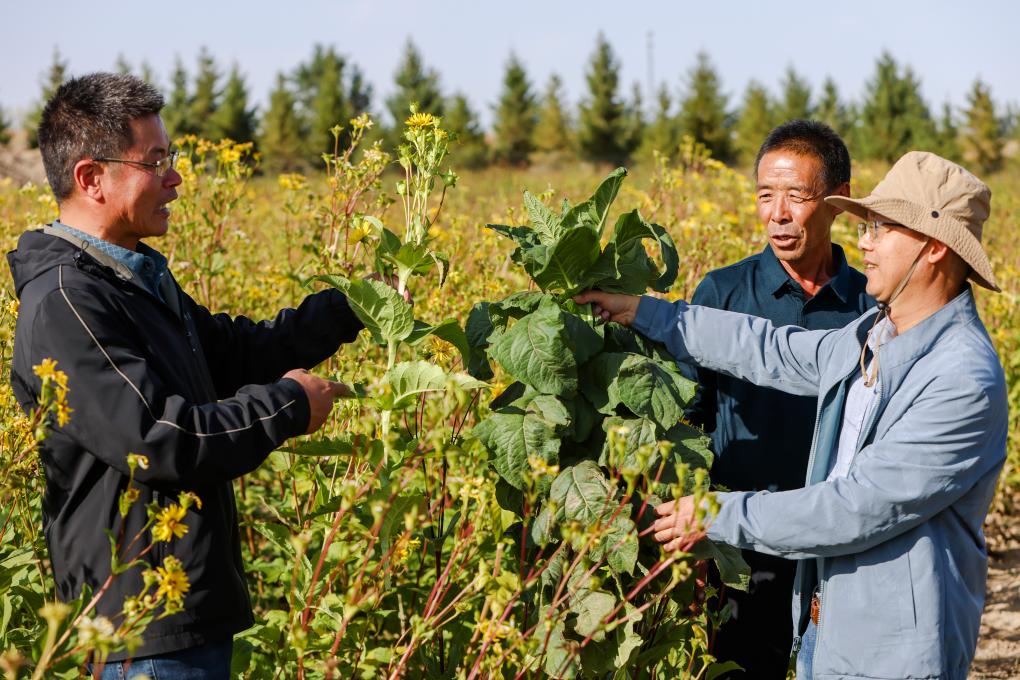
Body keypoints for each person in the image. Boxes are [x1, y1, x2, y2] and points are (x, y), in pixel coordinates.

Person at [576, 151, 1006, 679]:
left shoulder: (962, 380)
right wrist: (644, 312)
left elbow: (857, 508)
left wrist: (718, 514)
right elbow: (773, 348)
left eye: (881, 229)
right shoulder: (875, 332)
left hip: (893, 651)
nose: (864, 243)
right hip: (828, 627)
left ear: (935, 248)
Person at [8, 73, 374, 676]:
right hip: (144, 635)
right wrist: (288, 405)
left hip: (181, 618)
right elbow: (159, 437)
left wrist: (351, 306)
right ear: (91, 178)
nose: (176, 178)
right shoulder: (68, 302)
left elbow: (231, 354)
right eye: (156, 161)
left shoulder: (130, 278)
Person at [681, 120, 872, 675]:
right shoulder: (722, 295)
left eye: (797, 195)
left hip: (837, 552)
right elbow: (691, 423)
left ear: (839, 200)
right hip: (742, 551)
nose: (777, 214)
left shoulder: (870, 302)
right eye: (766, 195)